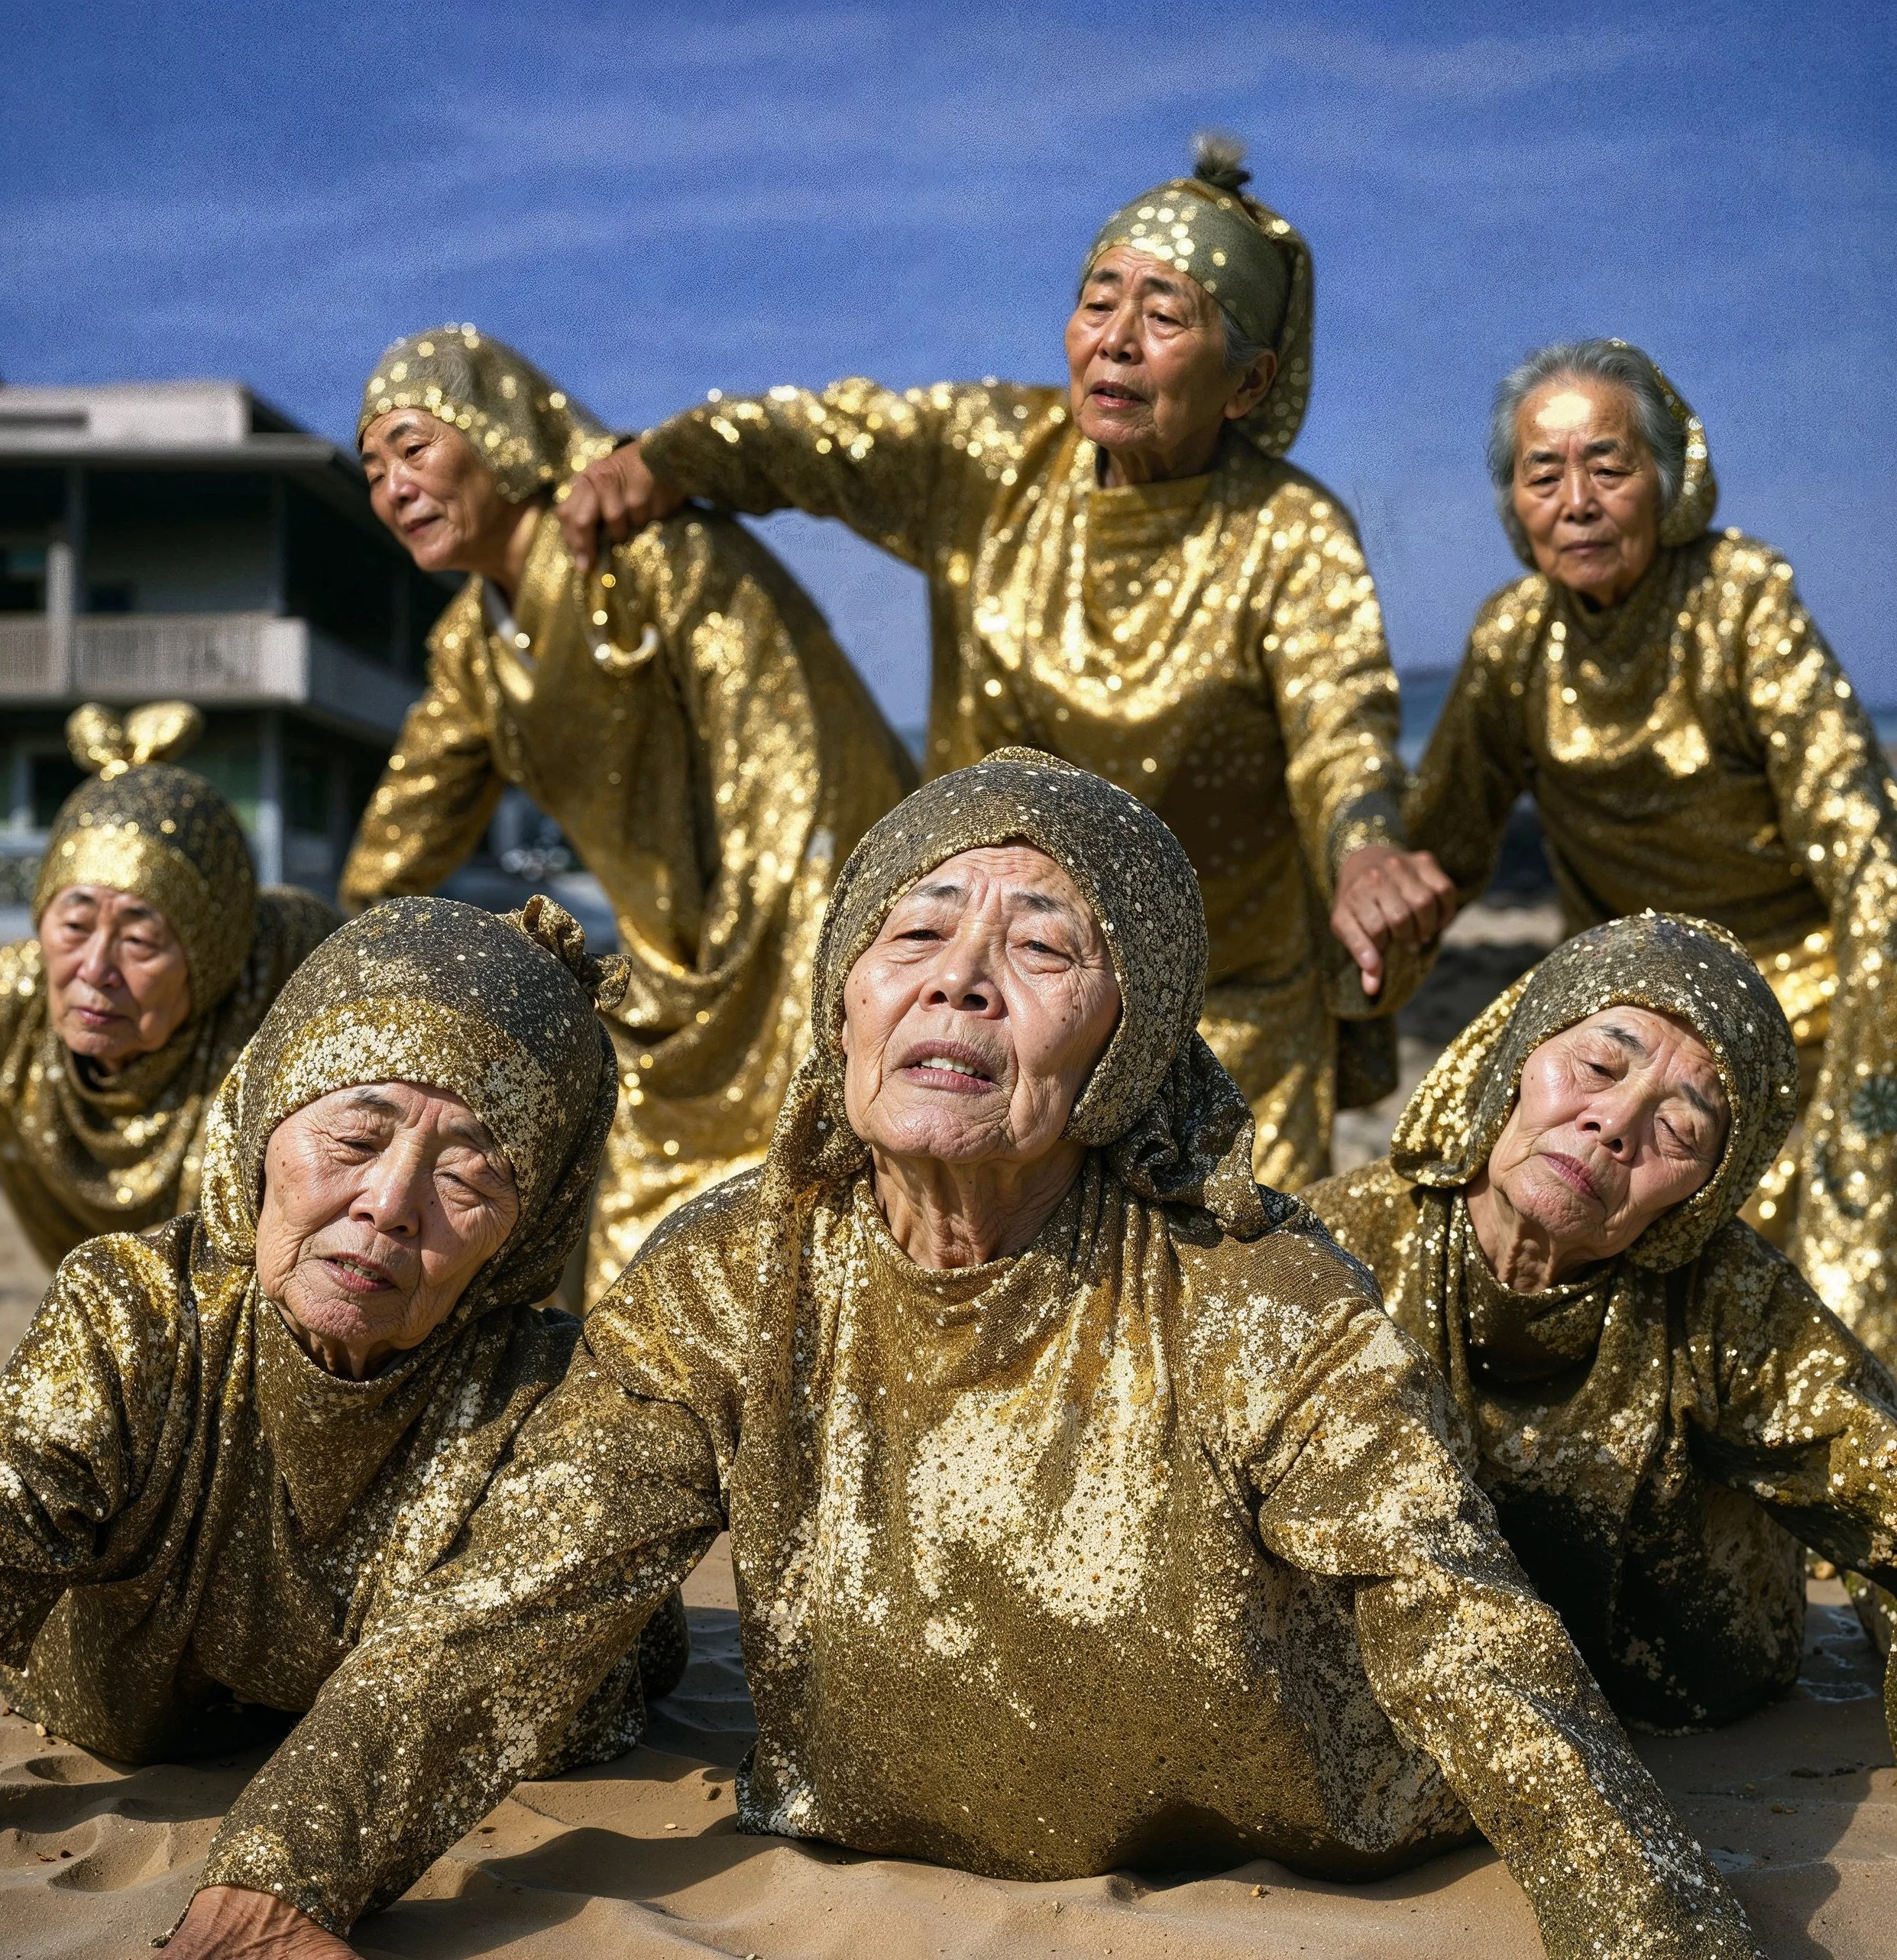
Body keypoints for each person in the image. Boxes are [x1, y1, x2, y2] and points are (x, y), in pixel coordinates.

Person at [474, 750, 1832, 1960]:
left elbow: (1445, 1604)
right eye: (919, 928)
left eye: (1047, 947)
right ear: (844, 993)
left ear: (1131, 1043)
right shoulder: (723, 1272)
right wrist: (283, 1866)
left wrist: (1648, 1928)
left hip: (1328, 1837)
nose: (960, 977)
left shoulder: (1256, 1285)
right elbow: (509, 1603)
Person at [559, 136, 1458, 1187]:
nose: (1115, 342)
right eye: (1098, 302)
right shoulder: (991, 464)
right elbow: (816, 438)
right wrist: (662, 460)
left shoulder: (1290, 532)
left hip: (1228, 1025)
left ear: (1247, 383)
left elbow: (1339, 724)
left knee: (1231, 1314)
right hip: (992, 995)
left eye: (1166, 318)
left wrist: (1364, 848)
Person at [0, 896, 694, 1960]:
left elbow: (482, 1667)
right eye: (356, 1138)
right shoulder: (134, 1318)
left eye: (468, 1176)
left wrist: (279, 1886)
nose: (388, 1204)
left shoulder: (556, 1398)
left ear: (529, 1228)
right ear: (264, 1120)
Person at [343, 326, 915, 1295]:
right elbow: (396, 850)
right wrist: (351, 987)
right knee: (645, 1281)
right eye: (371, 466)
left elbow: (793, 758)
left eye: (413, 446)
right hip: (661, 998)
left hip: (806, 953)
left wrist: (771, 976)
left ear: (497, 434)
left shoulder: (647, 554)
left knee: (831, 1250)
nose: (393, 486)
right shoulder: (470, 655)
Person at [1407, 338, 1897, 1363]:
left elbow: (1864, 852)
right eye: (1545, 473)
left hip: (1801, 1012)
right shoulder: (1513, 640)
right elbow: (1439, 848)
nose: (1577, 500)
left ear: (1668, 484)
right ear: (1513, 505)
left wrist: (1867, 1091)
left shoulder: (1740, 599)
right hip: (1622, 1029)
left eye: (1609, 466)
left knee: (1811, 1325)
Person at [1306, 910, 1897, 1732]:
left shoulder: (1730, 1299)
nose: (1614, 1123)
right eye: (1594, 1065)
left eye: (1678, 1128)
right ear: (1516, 1055)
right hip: (1417, 1700)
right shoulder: (1337, 1245)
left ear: (1703, 1197)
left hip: (1682, 1697)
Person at [0, 701, 335, 1268]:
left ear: (213, 956)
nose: (95, 969)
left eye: (140, 942)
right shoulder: (16, 997)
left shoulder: (291, 984)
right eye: (74, 927)